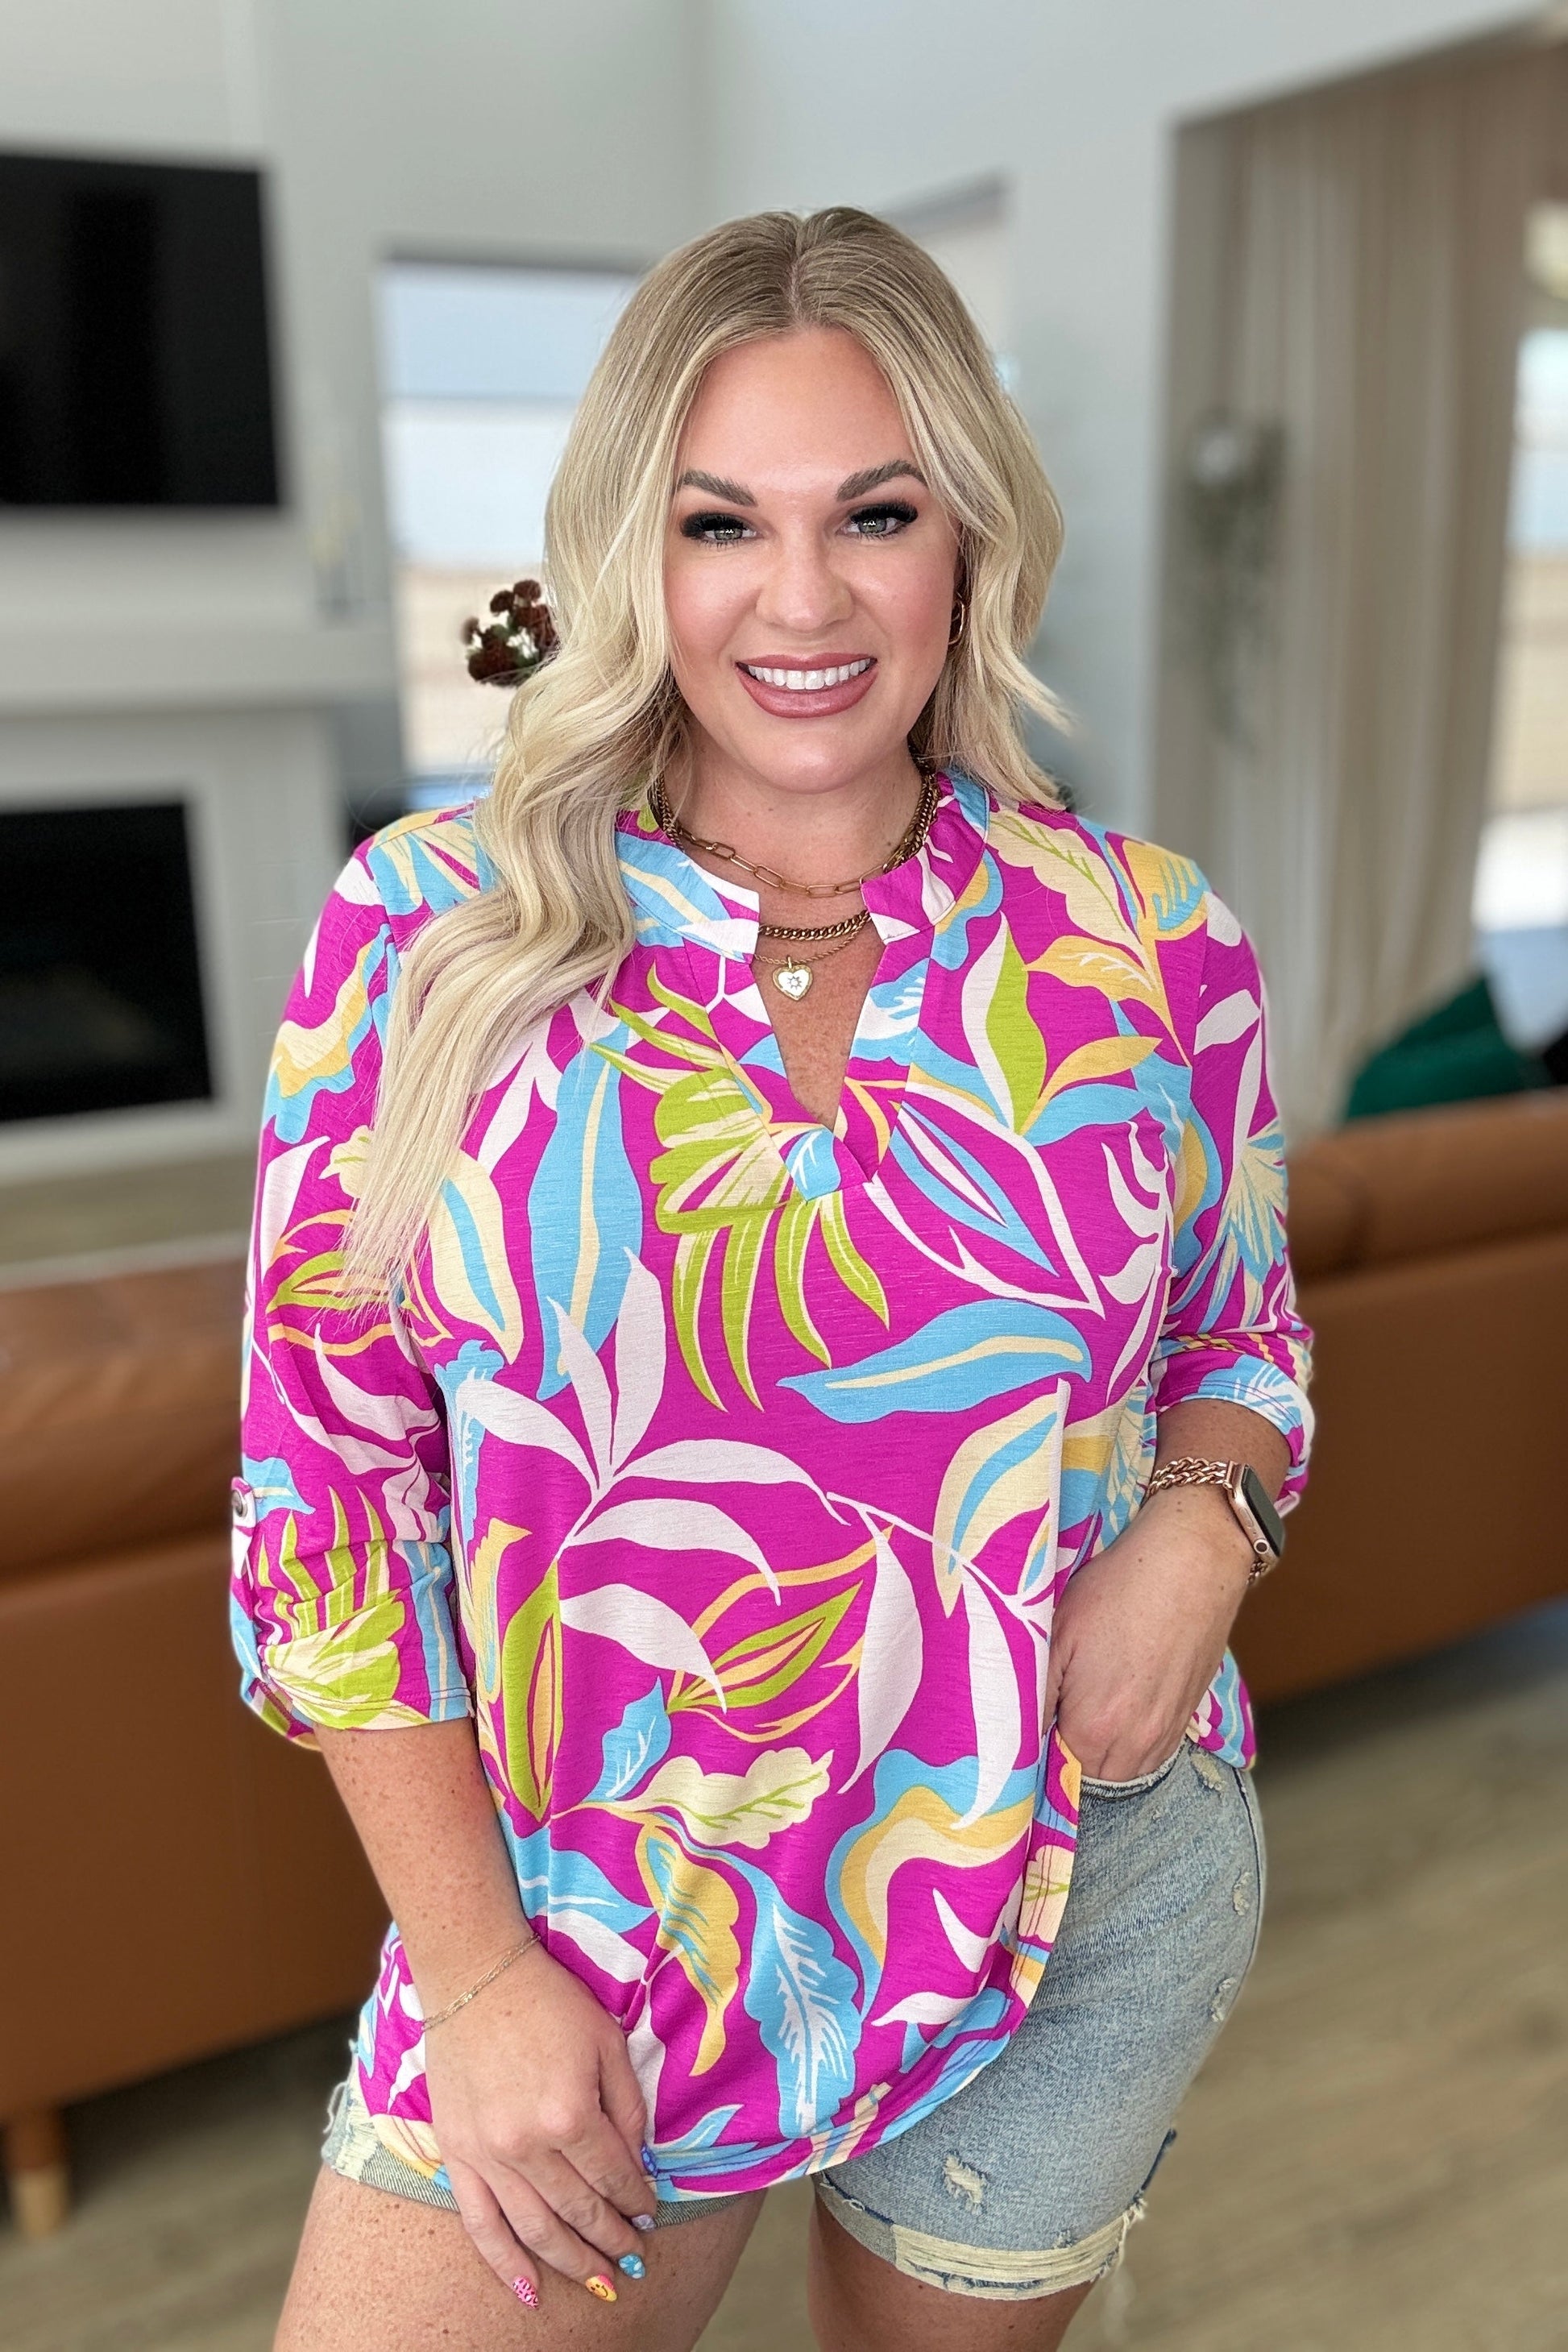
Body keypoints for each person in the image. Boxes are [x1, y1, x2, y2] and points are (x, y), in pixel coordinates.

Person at [233, 206, 1311, 2352]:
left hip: (1069, 1884)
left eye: (873, 516)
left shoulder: (1144, 941)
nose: (801, 600)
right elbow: (325, 1499)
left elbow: (1241, 1337)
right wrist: (478, 1976)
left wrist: (1204, 1530)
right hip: (583, 1938)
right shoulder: (434, 933)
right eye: (721, 522)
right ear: (632, 553)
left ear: (966, 544)